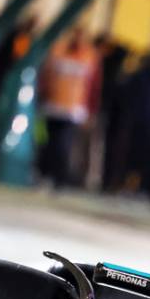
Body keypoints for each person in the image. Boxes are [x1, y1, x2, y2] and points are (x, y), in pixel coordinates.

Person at [38, 29, 101, 188]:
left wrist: (91, 111)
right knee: (47, 142)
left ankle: (58, 177)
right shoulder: (58, 50)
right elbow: (46, 75)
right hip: (52, 106)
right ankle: (45, 173)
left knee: (63, 145)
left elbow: (94, 87)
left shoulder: (89, 56)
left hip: (73, 110)